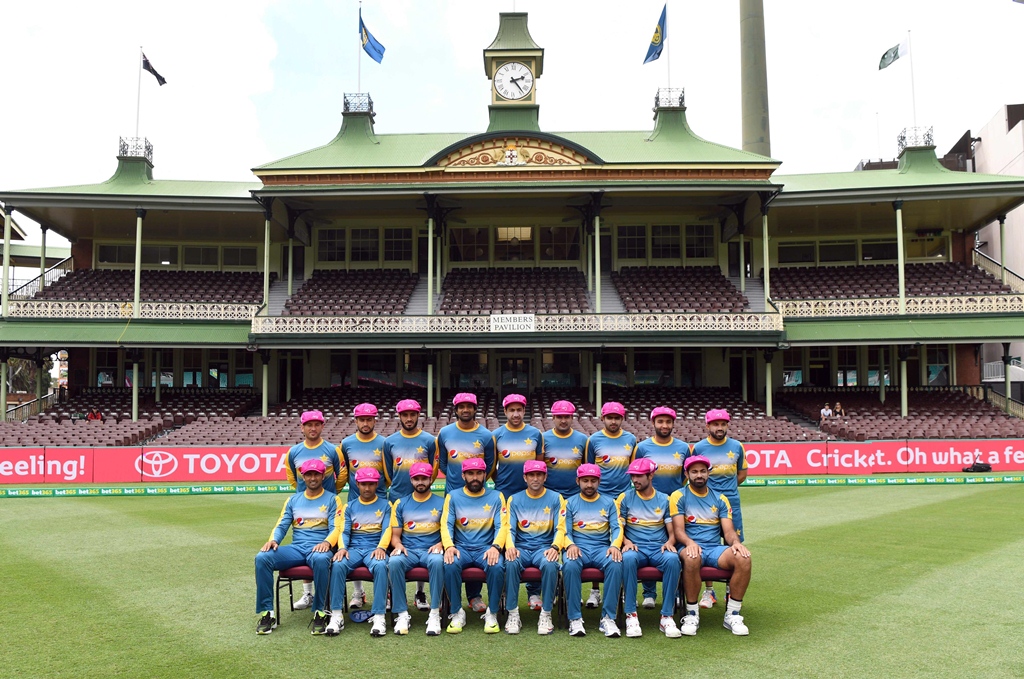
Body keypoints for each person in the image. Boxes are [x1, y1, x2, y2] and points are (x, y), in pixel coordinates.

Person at [670, 455, 752, 636]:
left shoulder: (721, 498)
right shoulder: (678, 496)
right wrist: (690, 543)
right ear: (687, 474)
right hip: (689, 547)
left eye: (702, 471)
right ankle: (691, 614)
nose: (699, 475)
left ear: (708, 473)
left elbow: (728, 531)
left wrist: (736, 544)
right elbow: (678, 531)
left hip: (714, 549)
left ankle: (733, 614)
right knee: (692, 558)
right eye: (694, 472)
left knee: (744, 558)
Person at [254, 458, 338, 635]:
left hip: (319, 548)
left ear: (323, 476)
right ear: (303, 477)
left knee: (322, 559)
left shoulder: (333, 499)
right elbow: (282, 524)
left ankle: (320, 612)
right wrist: (274, 540)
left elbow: (337, 527)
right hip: (297, 548)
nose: (313, 478)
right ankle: (267, 613)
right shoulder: (293, 500)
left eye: (316, 474)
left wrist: (327, 543)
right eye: (309, 474)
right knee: (263, 557)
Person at [436, 392, 495, 613]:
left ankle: (474, 596)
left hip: (478, 496)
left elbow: (489, 466)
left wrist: (474, 484)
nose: (466, 410)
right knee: (453, 545)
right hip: (453, 495)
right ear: (456, 409)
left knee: (478, 540)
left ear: (475, 408)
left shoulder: (486, 435)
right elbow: (443, 464)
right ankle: (450, 598)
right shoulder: (445, 433)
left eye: (469, 406)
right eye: (461, 406)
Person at [687, 408, 747, 610]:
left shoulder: (737, 446)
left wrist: (725, 493)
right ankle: (709, 591)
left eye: (723, 424)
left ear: (727, 425)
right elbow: (695, 472)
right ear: (708, 426)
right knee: (707, 542)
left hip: (731, 503)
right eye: (715, 424)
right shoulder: (699, 447)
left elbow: (742, 474)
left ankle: (731, 592)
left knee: (734, 545)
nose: (719, 427)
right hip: (704, 503)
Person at [282, 409, 342, 610]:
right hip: (303, 506)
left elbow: (341, 475)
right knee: (301, 541)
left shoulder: (333, 450)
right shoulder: (294, 452)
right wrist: (302, 495)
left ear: (322, 426)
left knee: (327, 549)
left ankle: (326, 597)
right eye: (309, 425)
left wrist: (332, 492)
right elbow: (292, 476)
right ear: (302, 427)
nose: (313, 428)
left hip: (327, 505)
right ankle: (307, 594)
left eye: (317, 424)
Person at [383, 398, 438, 612]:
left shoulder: (429, 440)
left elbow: (433, 468)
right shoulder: (390, 442)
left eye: (412, 414)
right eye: (404, 415)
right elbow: (388, 473)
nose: (408, 418)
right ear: (399, 416)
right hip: (397, 498)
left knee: (424, 540)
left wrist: (423, 487)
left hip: (423, 498)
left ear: (418, 415)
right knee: (395, 545)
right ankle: (393, 594)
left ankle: (420, 592)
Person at [617, 457, 682, 638]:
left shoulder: (664, 499)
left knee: (673, 560)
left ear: (651, 475)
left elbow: (672, 530)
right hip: (635, 548)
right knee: (628, 558)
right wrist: (626, 542)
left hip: (657, 548)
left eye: (639, 476)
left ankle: (667, 616)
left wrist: (670, 541)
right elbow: (618, 527)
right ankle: (631, 614)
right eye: (632, 476)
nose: (635, 480)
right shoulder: (625, 498)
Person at [441, 457, 505, 634]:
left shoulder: (496, 496)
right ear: (463, 475)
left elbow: (502, 525)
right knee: (450, 564)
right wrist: (449, 546)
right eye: (470, 473)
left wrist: (496, 547)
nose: (475, 477)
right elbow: (446, 524)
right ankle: (456, 612)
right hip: (461, 548)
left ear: (485, 475)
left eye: (479, 473)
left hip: (486, 548)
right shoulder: (453, 496)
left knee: (497, 565)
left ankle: (492, 612)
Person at [492, 393, 545, 611]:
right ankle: (505, 588)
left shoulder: (535, 434)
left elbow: (540, 466)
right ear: (505, 412)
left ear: (524, 411)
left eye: (519, 410)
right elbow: (491, 467)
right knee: (506, 542)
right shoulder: (496, 435)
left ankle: (534, 593)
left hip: (530, 496)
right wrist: (503, 485)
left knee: (533, 538)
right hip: (504, 494)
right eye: (511, 410)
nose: (515, 414)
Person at [632, 405, 688, 608]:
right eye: (660, 421)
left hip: (675, 505)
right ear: (653, 423)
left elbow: (684, 476)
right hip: (647, 503)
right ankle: (649, 593)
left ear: (673, 424)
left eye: (668, 422)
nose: (664, 425)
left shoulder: (683, 447)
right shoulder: (643, 448)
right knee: (648, 542)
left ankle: (674, 592)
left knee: (674, 547)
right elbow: (637, 472)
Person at [326, 467, 392, 637]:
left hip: (374, 548)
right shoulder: (350, 506)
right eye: (363, 484)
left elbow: (387, 529)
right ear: (357, 484)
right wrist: (342, 548)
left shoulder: (386, 505)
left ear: (377, 484)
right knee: (338, 564)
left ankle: (379, 616)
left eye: (371, 484)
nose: (367, 488)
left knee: (380, 566)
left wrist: (381, 548)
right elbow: (344, 531)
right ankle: (336, 615)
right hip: (354, 549)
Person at [584, 401, 636, 610]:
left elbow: (632, 469)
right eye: (609, 417)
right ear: (602, 418)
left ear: (622, 419)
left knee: (623, 542)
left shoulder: (631, 439)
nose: (613, 421)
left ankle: (619, 590)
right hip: (599, 497)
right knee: (600, 541)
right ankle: (595, 591)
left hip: (624, 497)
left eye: (617, 417)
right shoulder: (593, 440)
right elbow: (587, 468)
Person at [561, 463, 623, 638]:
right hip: (577, 548)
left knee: (616, 563)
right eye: (585, 480)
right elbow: (564, 529)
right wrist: (570, 545)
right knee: (570, 565)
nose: (589, 485)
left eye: (593, 481)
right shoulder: (569, 503)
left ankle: (608, 618)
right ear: (578, 481)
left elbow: (617, 528)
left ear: (599, 481)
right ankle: (575, 618)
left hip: (601, 549)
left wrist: (614, 546)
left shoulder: (610, 502)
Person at [503, 460, 565, 635]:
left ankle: (546, 613)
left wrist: (555, 547)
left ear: (545, 477)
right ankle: (513, 613)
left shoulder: (556, 498)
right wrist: (510, 547)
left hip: (544, 548)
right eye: (531, 475)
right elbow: (509, 528)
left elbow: (561, 527)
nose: (535, 479)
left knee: (551, 564)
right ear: (525, 477)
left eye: (539, 475)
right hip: (521, 548)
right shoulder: (514, 499)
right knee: (511, 562)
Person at [338, 402, 390, 610]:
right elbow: (342, 470)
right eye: (362, 419)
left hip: (380, 501)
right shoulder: (346, 443)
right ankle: (358, 593)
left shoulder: (384, 443)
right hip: (355, 500)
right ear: (356, 421)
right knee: (352, 545)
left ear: (375, 420)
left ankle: (385, 593)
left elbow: (389, 472)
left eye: (369, 419)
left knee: (384, 546)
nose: (366, 423)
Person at [387, 462, 446, 636]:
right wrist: (398, 545)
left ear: (430, 479)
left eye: (424, 478)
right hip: (409, 550)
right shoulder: (400, 503)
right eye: (417, 479)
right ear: (411, 481)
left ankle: (435, 613)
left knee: (437, 561)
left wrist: (441, 544)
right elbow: (395, 535)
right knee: (394, 561)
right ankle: (402, 613)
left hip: (431, 550)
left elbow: (449, 531)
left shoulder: (442, 502)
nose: (420, 482)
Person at [542, 400, 589, 498]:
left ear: (572, 418)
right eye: (559, 417)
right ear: (553, 418)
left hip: (575, 495)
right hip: (549, 495)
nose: (563, 421)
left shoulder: (582, 439)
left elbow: (586, 467)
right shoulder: (543, 438)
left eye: (567, 417)